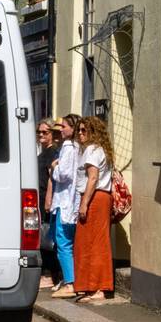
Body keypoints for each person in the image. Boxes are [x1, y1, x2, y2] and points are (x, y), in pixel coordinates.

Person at [75, 115, 115, 303]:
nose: (80, 133)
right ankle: (92, 286)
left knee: (93, 243)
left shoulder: (92, 149)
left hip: (95, 198)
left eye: (84, 130)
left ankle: (98, 287)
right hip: (100, 197)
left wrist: (84, 203)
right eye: (79, 130)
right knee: (92, 241)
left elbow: (92, 178)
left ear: (93, 132)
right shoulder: (100, 150)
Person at [46, 114, 82, 299]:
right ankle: (69, 278)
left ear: (72, 129)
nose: (61, 129)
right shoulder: (77, 147)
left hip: (65, 200)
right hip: (69, 200)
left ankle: (70, 282)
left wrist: (54, 167)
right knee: (65, 241)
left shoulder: (68, 147)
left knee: (63, 242)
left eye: (65, 126)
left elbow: (64, 175)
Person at [35, 119, 60, 289]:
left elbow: (52, 178)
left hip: (46, 200)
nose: (42, 135)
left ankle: (49, 274)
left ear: (52, 134)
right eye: (39, 132)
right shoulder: (42, 153)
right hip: (39, 198)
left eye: (46, 132)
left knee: (47, 238)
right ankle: (47, 273)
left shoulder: (52, 153)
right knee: (43, 236)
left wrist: (49, 200)